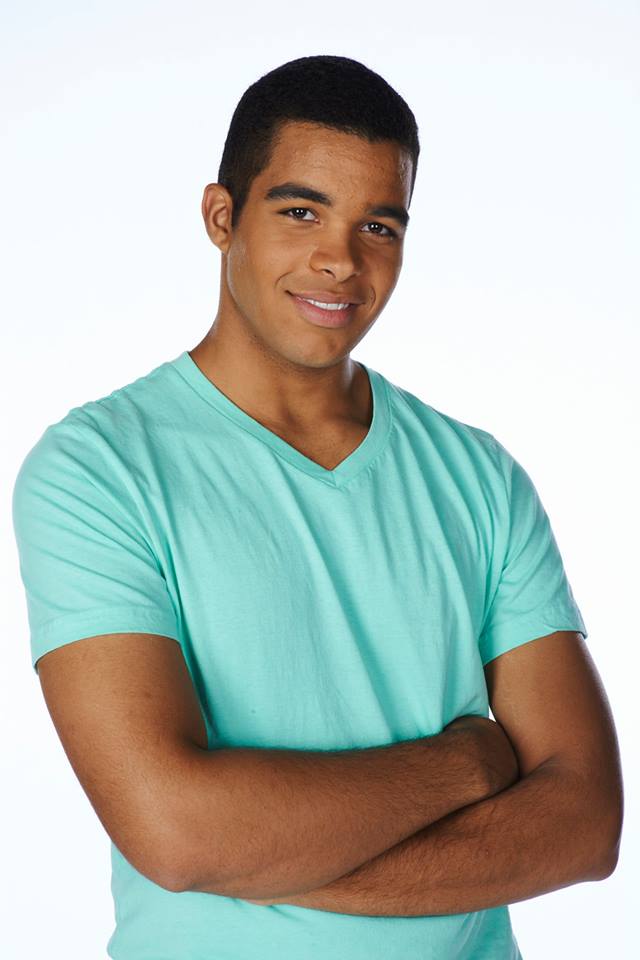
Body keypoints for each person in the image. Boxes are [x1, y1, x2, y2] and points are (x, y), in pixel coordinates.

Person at [11, 55, 623, 960]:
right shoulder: (99, 470)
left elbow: (586, 825)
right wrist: (464, 765)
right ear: (222, 217)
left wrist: (255, 857)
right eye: (301, 212)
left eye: (378, 225)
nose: (341, 260)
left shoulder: (479, 477)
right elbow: (176, 834)